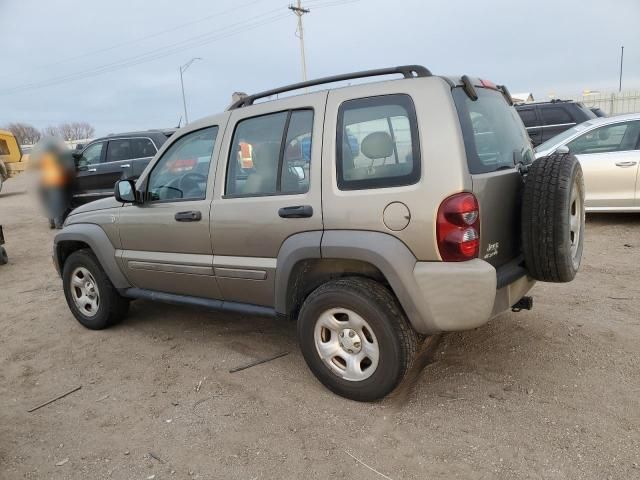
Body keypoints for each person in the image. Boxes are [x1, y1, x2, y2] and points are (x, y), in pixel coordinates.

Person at [32, 137, 76, 229]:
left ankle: (51, 223)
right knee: (57, 204)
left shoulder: (42, 157)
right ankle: (59, 224)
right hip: (55, 183)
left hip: (44, 183)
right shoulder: (57, 157)